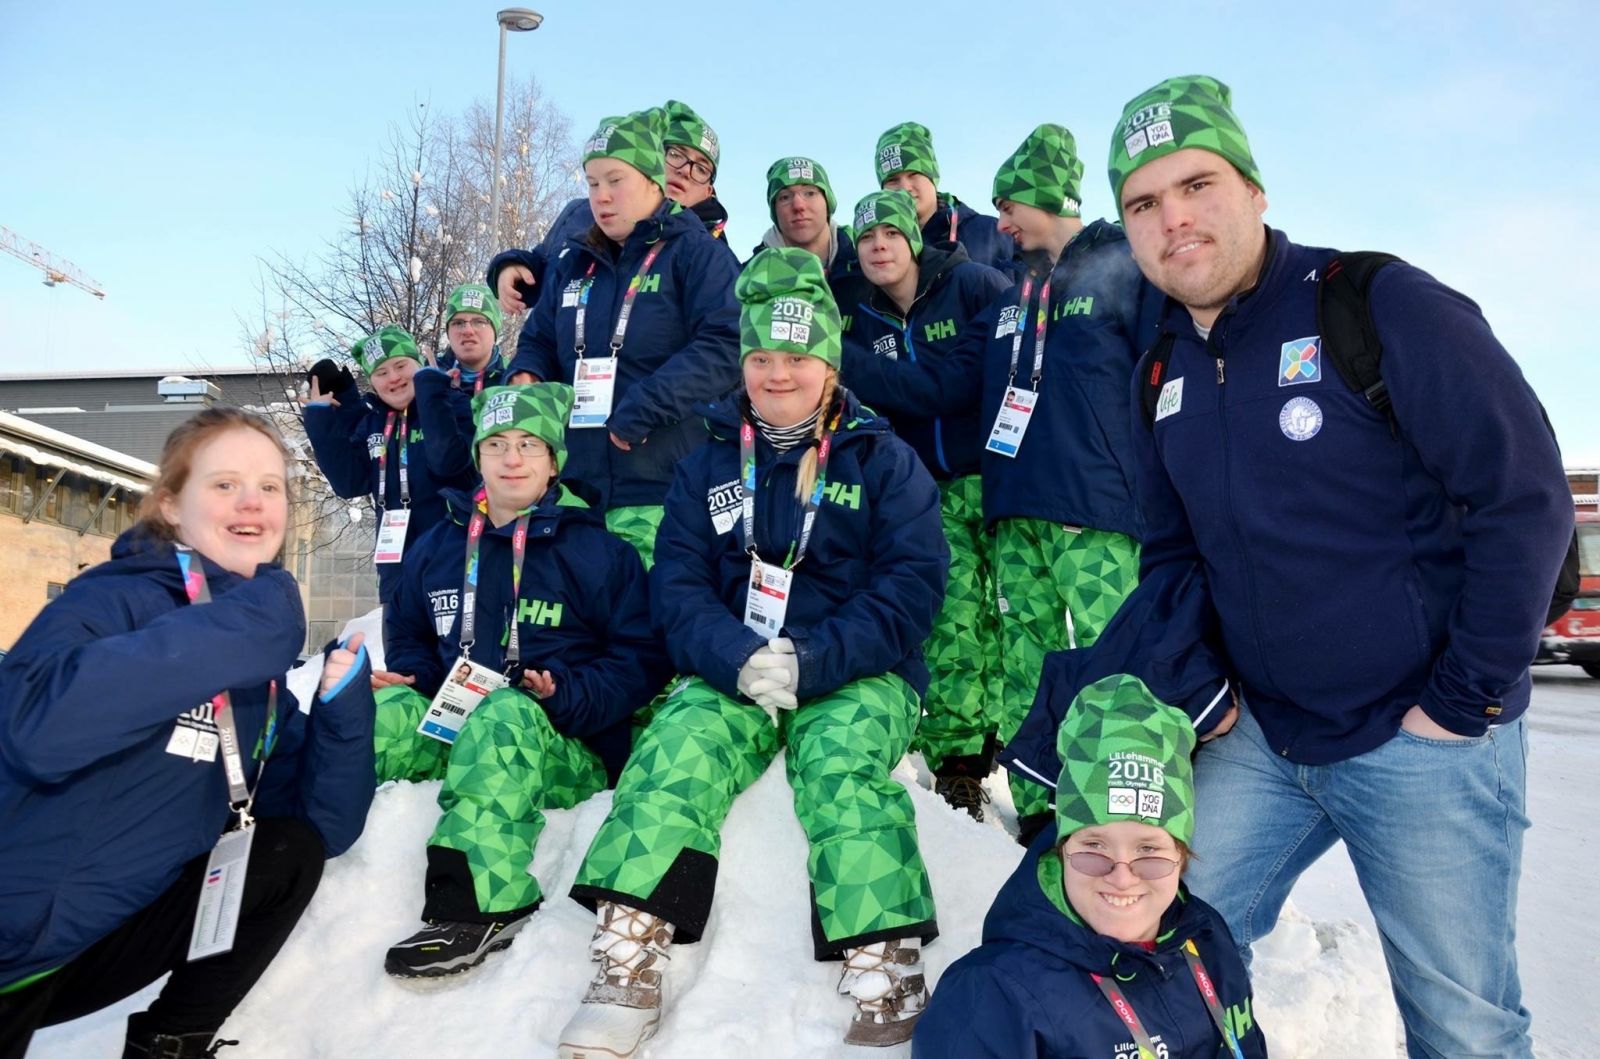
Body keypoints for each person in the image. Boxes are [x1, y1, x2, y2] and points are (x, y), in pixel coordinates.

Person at [1109, 75, 1572, 1058]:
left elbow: (1523, 499)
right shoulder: (1162, 370)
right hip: (1263, 741)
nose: (1173, 219)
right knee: (1152, 955)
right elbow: (1169, 554)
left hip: (1422, 740)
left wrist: (1460, 702)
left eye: (1195, 184)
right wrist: (1200, 685)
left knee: (1462, 1025)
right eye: (1143, 204)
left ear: (1252, 187)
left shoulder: (1375, 303)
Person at [555, 248, 948, 1057]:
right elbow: (679, 587)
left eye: (797, 357)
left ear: (831, 363)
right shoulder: (705, 461)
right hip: (731, 668)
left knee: (839, 760)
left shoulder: (885, 460)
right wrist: (735, 655)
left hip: (856, 671)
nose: (776, 374)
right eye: (762, 356)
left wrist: (815, 658)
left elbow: (912, 589)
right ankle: (630, 952)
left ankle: (885, 959)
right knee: (674, 746)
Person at [0, 407, 376, 1059]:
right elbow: (37, 731)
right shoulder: (108, 602)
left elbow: (322, 831)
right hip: (13, 936)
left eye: (269, 486)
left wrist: (343, 706)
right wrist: (254, 623)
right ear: (171, 504)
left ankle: (171, 1042)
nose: (251, 501)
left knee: (286, 853)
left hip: (91, 944)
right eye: (224, 482)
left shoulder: (253, 675)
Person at [369, 383, 669, 979]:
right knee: (379, 714)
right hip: (456, 722)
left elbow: (643, 659)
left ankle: (479, 906)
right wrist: (412, 676)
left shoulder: (600, 552)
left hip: (562, 744)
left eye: (529, 445)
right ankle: (310, 873)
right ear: (478, 455)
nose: (512, 459)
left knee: (504, 714)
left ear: (553, 461)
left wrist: (567, 696)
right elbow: (406, 628)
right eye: (498, 444)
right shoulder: (438, 543)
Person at [974, 123, 1165, 842]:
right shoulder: (1009, 294)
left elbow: (1161, 377)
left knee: (1116, 659)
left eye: (1009, 206)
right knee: (1026, 658)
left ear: (1043, 199)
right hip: (1016, 508)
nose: (1001, 223)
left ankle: (1122, 806)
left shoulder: (1123, 263)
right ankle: (1038, 807)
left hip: (1097, 512)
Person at [913, 674, 1266, 1058]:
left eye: (1148, 850)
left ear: (1181, 856)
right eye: (1094, 847)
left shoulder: (1208, 938)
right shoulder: (991, 996)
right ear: (1062, 848)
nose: (1121, 876)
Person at [833, 189, 1010, 819]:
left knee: (1016, 623)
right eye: (866, 239)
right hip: (924, 490)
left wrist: (845, 361)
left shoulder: (975, 285)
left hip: (997, 477)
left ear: (914, 238)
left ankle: (1033, 753)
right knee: (957, 621)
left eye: (890, 234)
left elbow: (953, 386)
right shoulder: (855, 312)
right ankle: (962, 763)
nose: (879, 247)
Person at [506, 107, 741, 566]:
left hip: (663, 493)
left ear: (653, 181)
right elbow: (537, 339)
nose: (602, 197)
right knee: (577, 633)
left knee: (648, 632)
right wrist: (526, 375)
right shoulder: (576, 260)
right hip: (575, 495)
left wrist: (645, 406)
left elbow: (727, 345)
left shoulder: (696, 254)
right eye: (593, 183)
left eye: (616, 180)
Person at [489, 100, 735, 316]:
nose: (684, 170)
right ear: (652, 157)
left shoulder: (712, 253)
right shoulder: (580, 214)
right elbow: (544, 268)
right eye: (675, 153)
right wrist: (512, 267)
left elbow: (720, 337)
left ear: (709, 190)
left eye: (702, 168)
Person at [302, 324, 478, 612]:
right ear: (372, 383)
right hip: (397, 575)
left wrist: (433, 396)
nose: (393, 378)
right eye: (381, 373)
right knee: (403, 656)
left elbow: (449, 465)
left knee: (455, 657)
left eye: (400, 365)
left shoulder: (454, 404)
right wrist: (321, 419)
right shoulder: (373, 425)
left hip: (453, 565)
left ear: (418, 366)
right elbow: (349, 483)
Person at [874, 121, 1018, 278]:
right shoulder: (880, 253)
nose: (904, 188)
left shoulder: (990, 233)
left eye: (913, 175)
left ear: (933, 177)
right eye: (893, 180)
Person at [411, 282, 512, 485]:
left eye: (479, 321)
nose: (468, 330)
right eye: (458, 323)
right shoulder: (423, 382)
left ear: (495, 330)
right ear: (448, 332)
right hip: (440, 508)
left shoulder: (515, 380)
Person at [750, 156, 858, 280]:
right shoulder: (749, 278)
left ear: (828, 202)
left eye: (810, 193)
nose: (798, 205)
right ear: (775, 211)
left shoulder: (868, 261)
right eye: (785, 197)